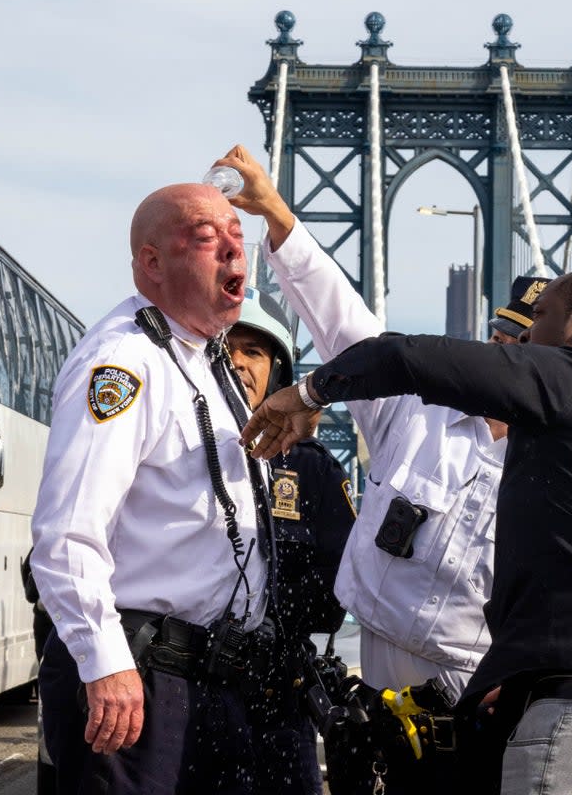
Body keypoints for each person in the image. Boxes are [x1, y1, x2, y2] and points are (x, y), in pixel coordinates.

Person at [241, 270, 572, 795]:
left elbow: (400, 357)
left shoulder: (568, 378)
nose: (522, 343)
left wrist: (308, 392)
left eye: (538, 321)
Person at [217, 145, 548, 793]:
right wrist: (277, 214)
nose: (504, 358)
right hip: (374, 718)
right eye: (501, 343)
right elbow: (346, 329)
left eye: (524, 350)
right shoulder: (417, 416)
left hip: (482, 726)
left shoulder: (557, 467)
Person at [30, 181, 270, 794]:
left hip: (208, 677)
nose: (233, 254)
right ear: (152, 263)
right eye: (207, 239)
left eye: (238, 238)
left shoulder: (203, 359)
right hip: (139, 677)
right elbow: (66, 533)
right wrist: (105, 662)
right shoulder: (123, 363)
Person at [227, 287, 355, 795]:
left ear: (277, 372)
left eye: (253, 352)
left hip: (277, 693)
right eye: (225, 350)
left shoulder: (312, 469)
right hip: (181, 686)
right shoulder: (163, 450)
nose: (237, 362)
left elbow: (340, 583)